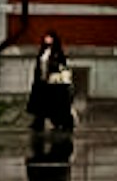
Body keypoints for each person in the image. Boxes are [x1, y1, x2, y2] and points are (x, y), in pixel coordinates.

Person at [26, 33, 80, 162]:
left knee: (53, 104)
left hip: (54, 84)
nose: (47, 40)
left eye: (50, 38)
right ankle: (38, 122)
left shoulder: (57, 53)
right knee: (40, 104)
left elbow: (61, 67)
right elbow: (39, 67)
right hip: (42, 83)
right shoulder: (42, 53)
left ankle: (61, 122)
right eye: (46, 38)